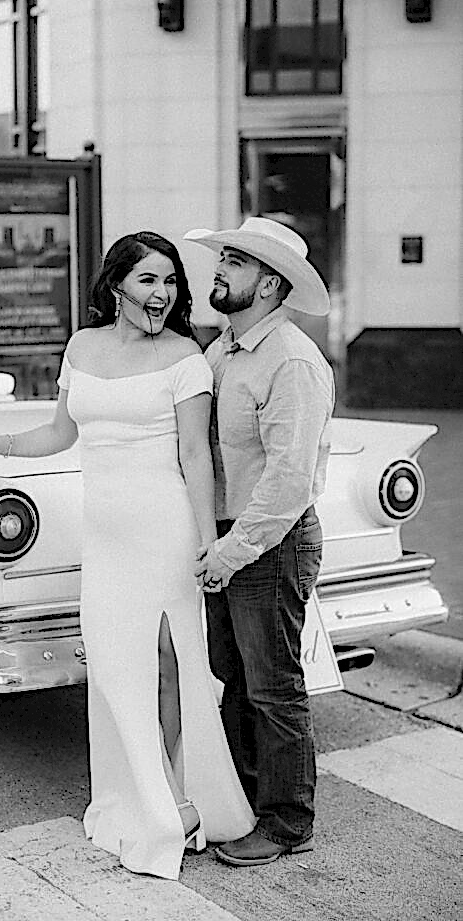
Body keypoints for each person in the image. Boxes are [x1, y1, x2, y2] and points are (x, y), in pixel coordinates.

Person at [0, 231, 254, 880]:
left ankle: (175, 798)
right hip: (106, 539)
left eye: (169, 281)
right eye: (147, 280)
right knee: (117, 666)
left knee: (172, 662)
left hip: (166, 529)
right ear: (115, 285)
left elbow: (196, 455)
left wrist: (206, 541)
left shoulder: (183, 355)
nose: (161, 293)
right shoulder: (82, 347)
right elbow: (60, 432)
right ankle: (142, 793)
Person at [184, 216, 335, 868]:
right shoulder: (221, 352)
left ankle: (285, 822)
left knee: (273, 687)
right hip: (231, 540)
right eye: (220, 258)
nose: (218, 269)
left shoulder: (292, 361)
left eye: (236, 262)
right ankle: (245, 804)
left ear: (270, 284)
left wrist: (229, 552)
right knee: (234, 678)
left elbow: (286, 481)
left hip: (268, 545)